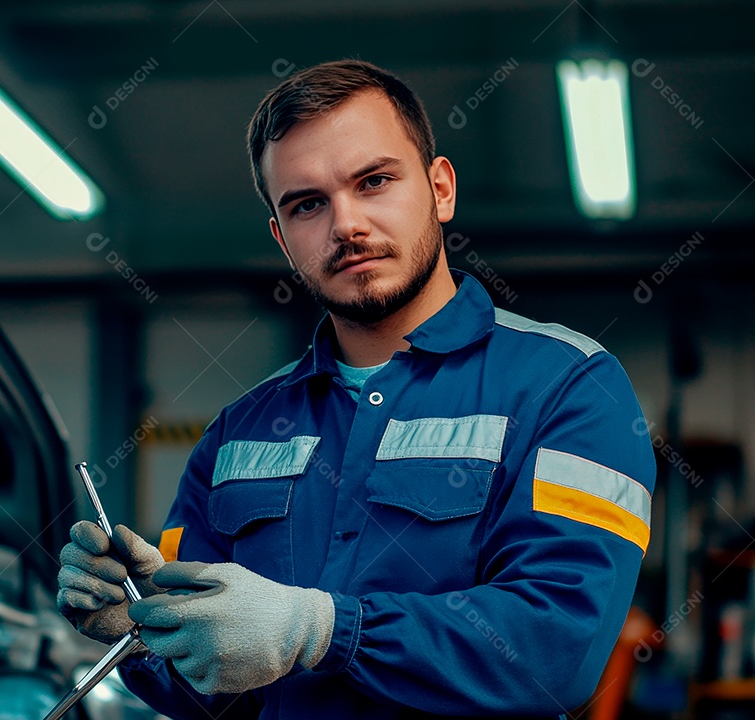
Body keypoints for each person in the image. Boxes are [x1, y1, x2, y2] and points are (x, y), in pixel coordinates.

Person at [56, 59, 655, 719]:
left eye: (374, 182)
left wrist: (321, 629)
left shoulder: (568, 388)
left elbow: (557, 651)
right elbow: (214, 703)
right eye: (308, 204)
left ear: (440, 189)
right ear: (284, 240)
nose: (346, 225)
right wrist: (144, 627)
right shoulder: (240, 432)